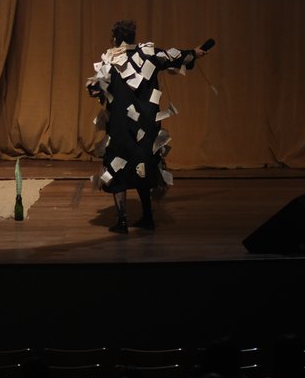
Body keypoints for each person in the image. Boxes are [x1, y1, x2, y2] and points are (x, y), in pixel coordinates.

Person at [86, 20, 211, 234]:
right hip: (146, 124)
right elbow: (175, 56)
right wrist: (195, 52)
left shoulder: (109, 61)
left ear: (115, 38)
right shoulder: (149, 53)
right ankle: (147, 218)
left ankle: (122, 221)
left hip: (120, 126)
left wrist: (96, 86)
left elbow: (95, 88)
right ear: (133, 37)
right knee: (143, 165)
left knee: (118, 167)